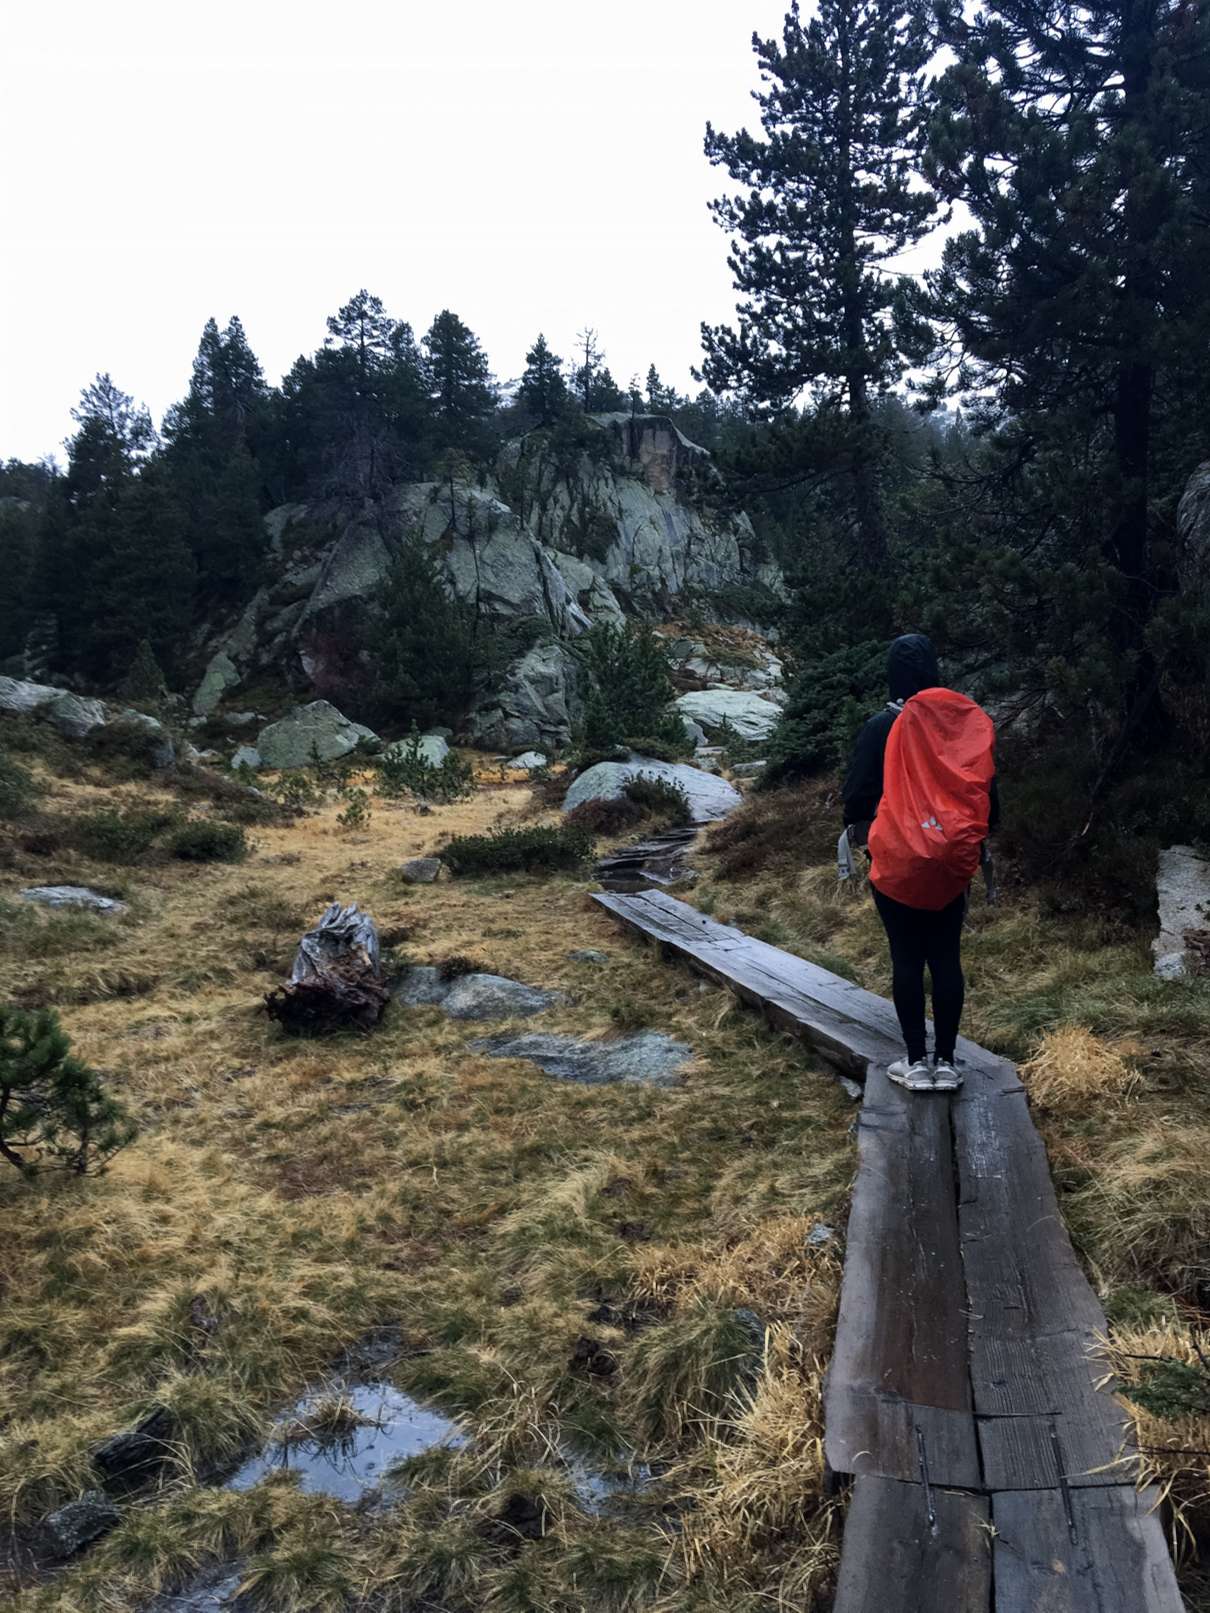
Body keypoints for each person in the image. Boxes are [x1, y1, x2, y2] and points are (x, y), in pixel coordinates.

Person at [842, 634, 999, 1093]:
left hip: (896, 862)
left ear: (892, 674)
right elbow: (990, 800)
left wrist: (878, 833)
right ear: (934, 672)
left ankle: (915, 1062)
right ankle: (948, 1063)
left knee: (906, 958)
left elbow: (854, 802)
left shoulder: (879, 727)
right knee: (946, 956)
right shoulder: (962, 726)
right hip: (951, 863)